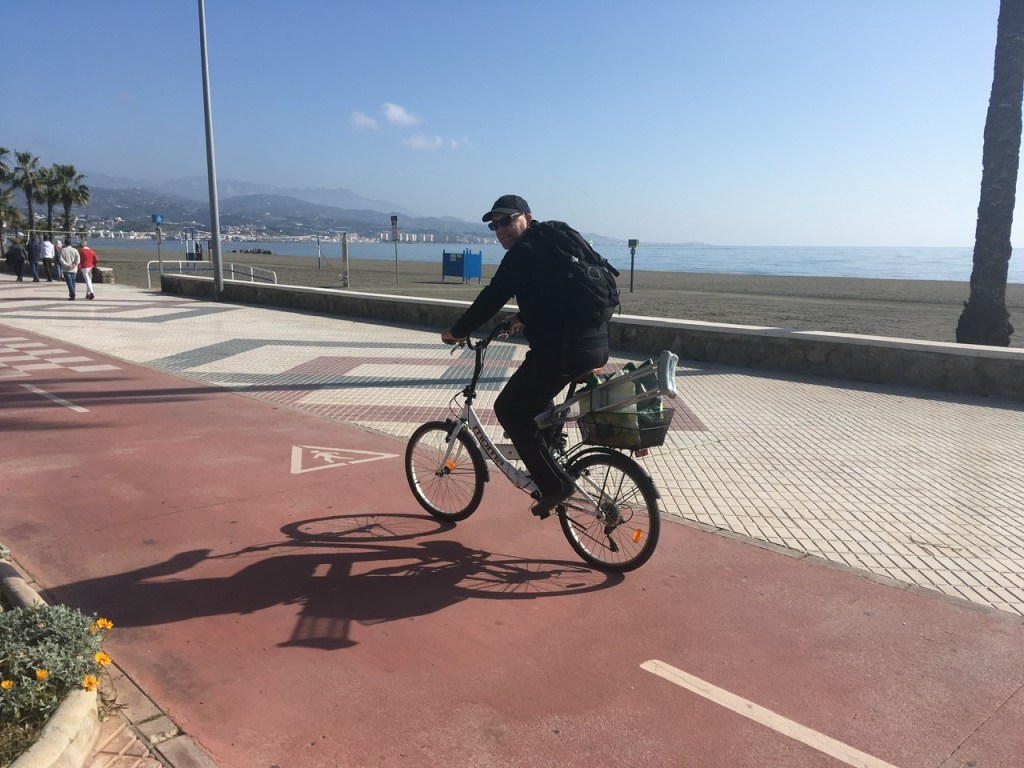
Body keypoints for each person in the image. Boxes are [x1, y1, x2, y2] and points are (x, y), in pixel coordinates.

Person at [441, 195, 610, 518]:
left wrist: (458, 331)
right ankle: (550, 452)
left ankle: (554, 484)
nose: (500, 229)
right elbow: (554, 296)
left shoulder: (523, 253)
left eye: (507, 220)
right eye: (494, 225)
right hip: (595, 344)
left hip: (563, 350)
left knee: (509, 409)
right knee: (535, 400)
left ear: (527, 219)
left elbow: (491, 298)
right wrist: (520, 318)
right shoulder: (551, 243)